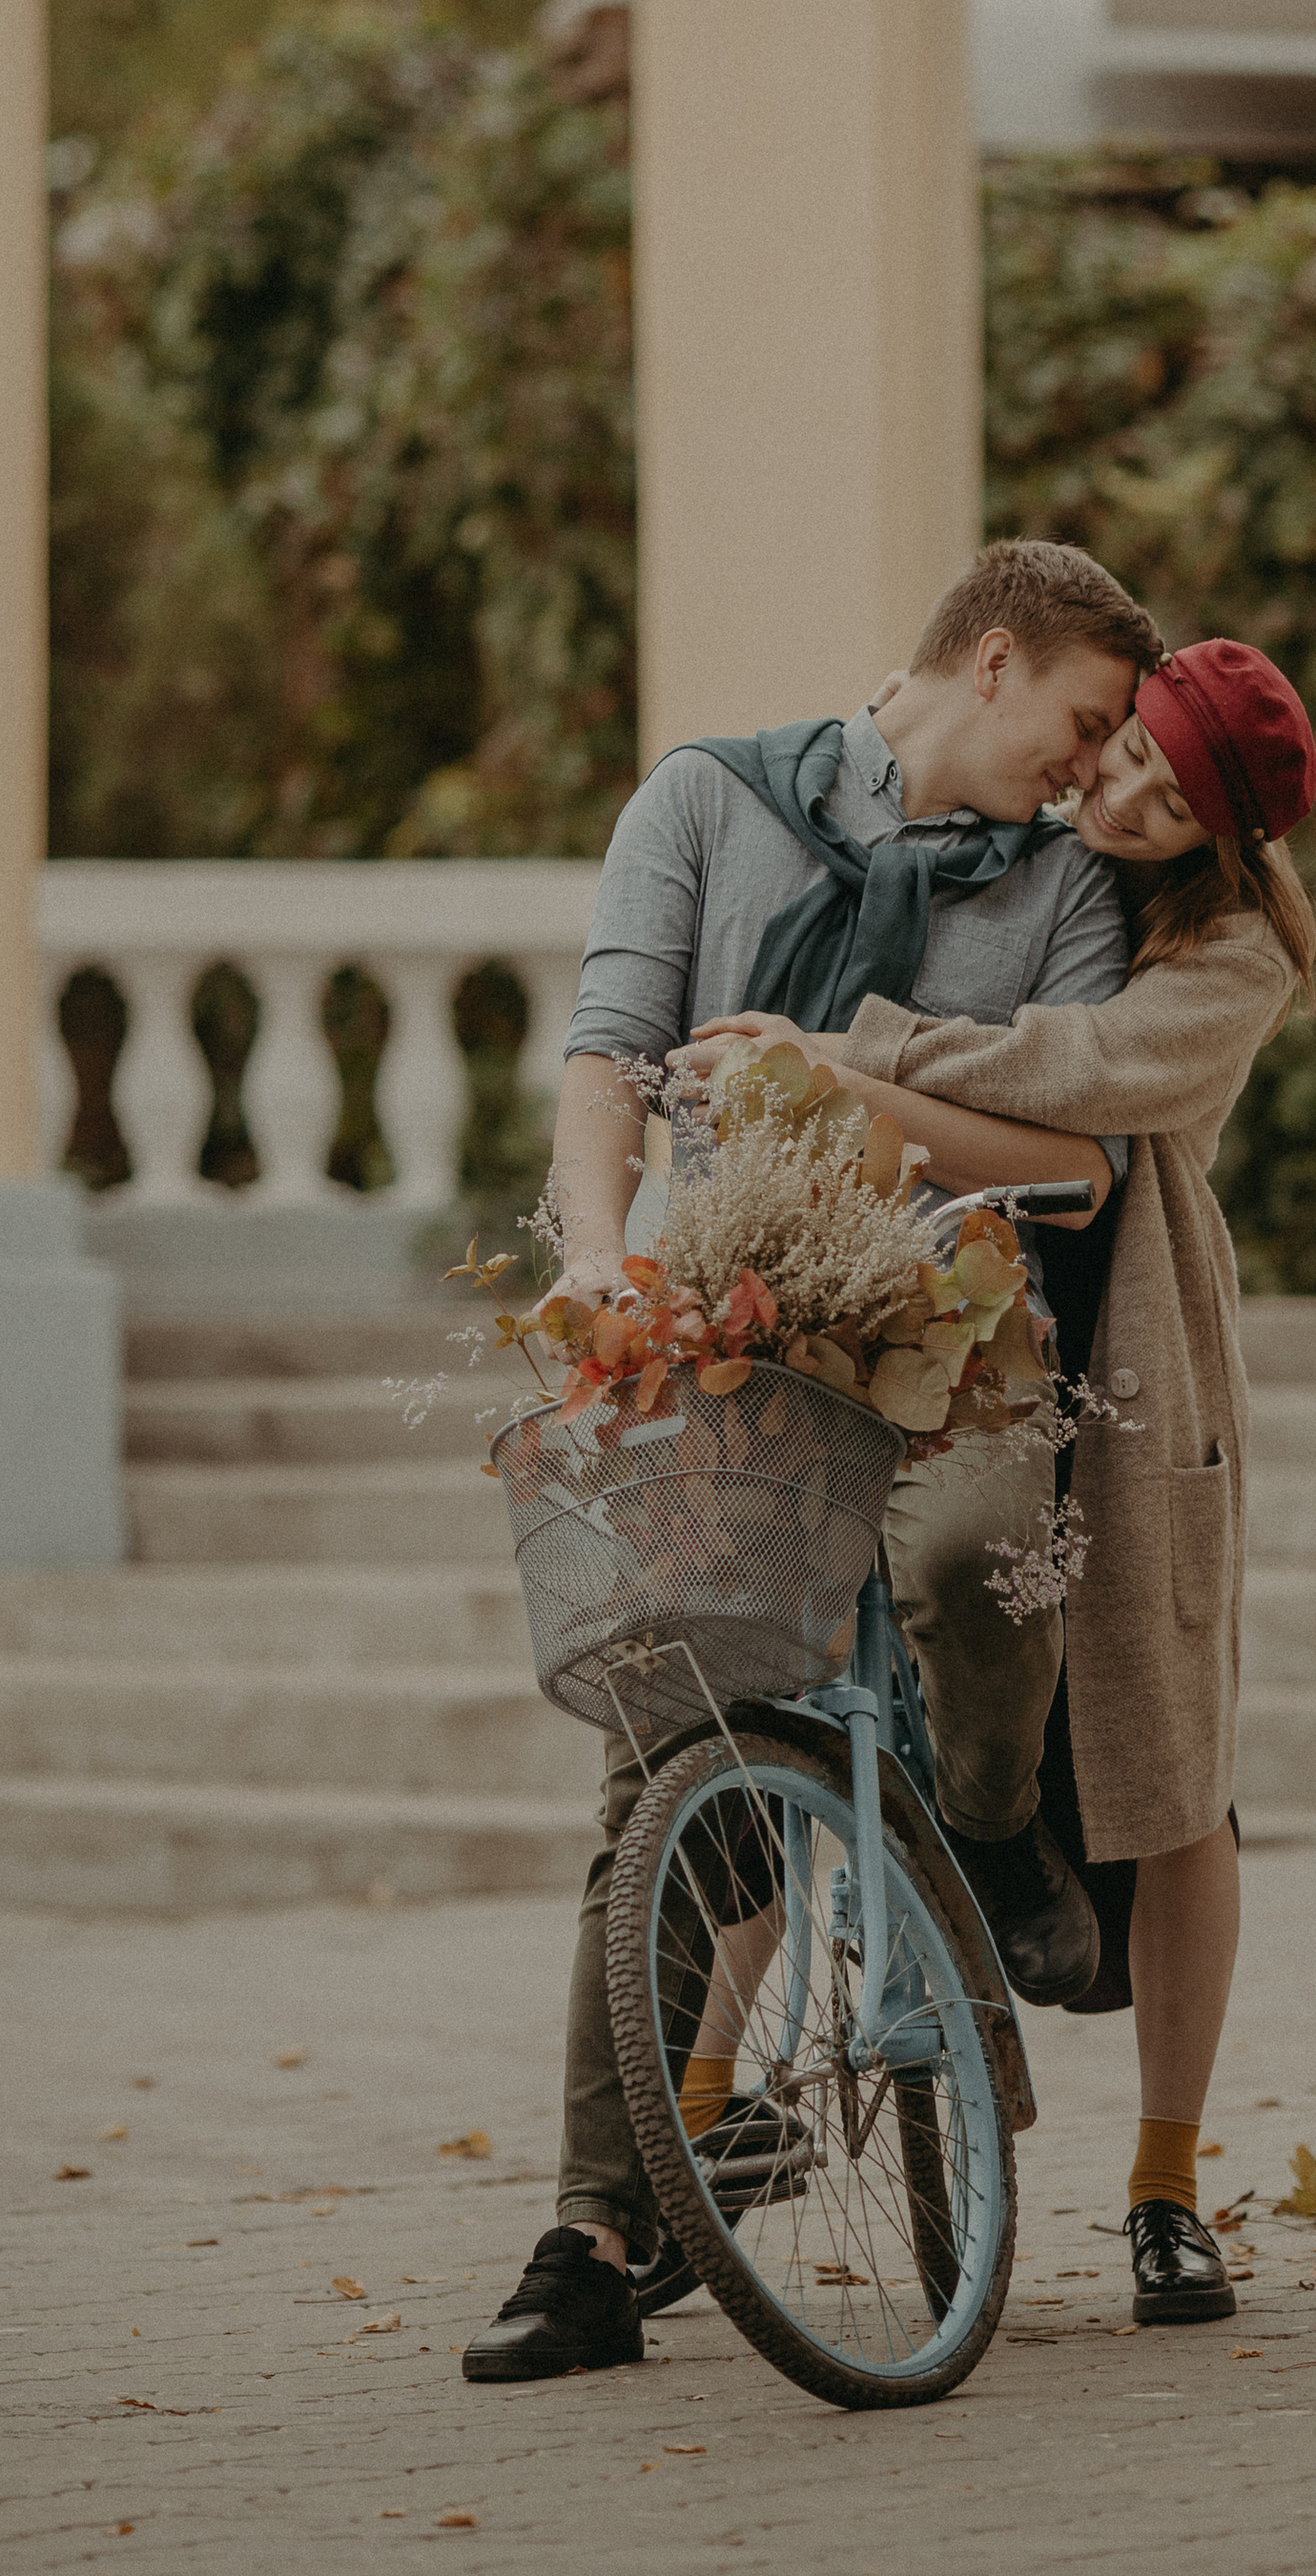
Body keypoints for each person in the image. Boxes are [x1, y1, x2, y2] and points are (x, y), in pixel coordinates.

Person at [463, 536, 1161, 2383]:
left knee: (965, 1562)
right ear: (989, 662)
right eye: (1081, 727)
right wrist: (603, 1252)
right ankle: (593, 2230)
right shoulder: (707, 801)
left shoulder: (1069, 879)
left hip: (958, 1327)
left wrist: (844, 1087)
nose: (1087, 774)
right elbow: (610, 1051)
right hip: (728, 1315)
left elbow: (1079, 1163)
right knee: (663, 1751)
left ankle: (999, 1835)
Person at [680, 636, 1316, 2329]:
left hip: (1135, 1362)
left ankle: (1170, 2188)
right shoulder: (1034, 852)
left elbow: (1091, 1085)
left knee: (1171, 1769)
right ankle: (688, 2121)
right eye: (1118, 758)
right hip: (936, 1323)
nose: (1116, 793)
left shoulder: (1237, 951)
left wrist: (859, 1054)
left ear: (1226, 837)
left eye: (1165, 799)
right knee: (822, 1705)